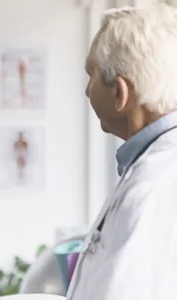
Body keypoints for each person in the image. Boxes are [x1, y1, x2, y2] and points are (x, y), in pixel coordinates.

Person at [67, 4, 177, 300]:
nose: (86, 91)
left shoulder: (155, 183)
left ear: (119, 92)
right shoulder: (155, 165)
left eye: (90, 75)